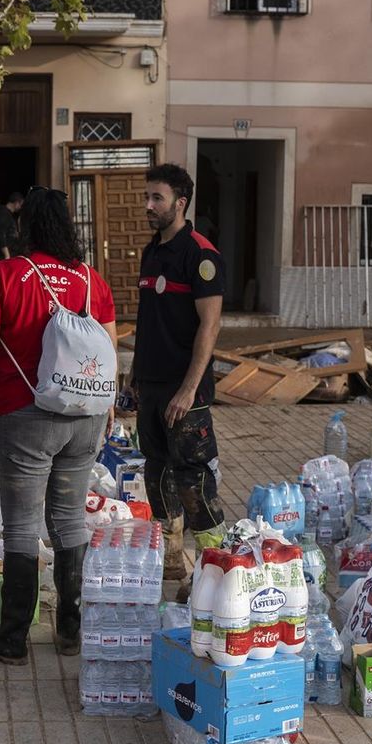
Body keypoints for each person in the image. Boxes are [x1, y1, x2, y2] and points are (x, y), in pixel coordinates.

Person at [0, 187, 117, 664]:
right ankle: (70, 631)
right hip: (84, 418)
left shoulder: (4, 276)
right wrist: (106, 411)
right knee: (68, 519)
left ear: (25, 228)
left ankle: (12, 637)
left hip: (24, 417)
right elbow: (108, 352)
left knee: (22, 524)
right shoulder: (91, 281)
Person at [132, 163, 227, 590]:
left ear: (180, 203)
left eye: (157, 198)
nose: (148, 205)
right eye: (147, 197)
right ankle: (173, 564)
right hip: (151, 386)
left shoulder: (201, 254)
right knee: (157, 472)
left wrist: (189, 390)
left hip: (184, 392)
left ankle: (217, 567)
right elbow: (147, 320)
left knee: (193, 480)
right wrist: (134, 376)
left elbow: (210, 327)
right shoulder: (152, 252)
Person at [0, 191, 24, 265]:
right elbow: (0, 234)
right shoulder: (2, 212)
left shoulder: (11, 215)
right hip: (2, 256)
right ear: (16, 203)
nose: (20, 207)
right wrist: (6, 255)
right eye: (20, 204)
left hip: (10, 254)